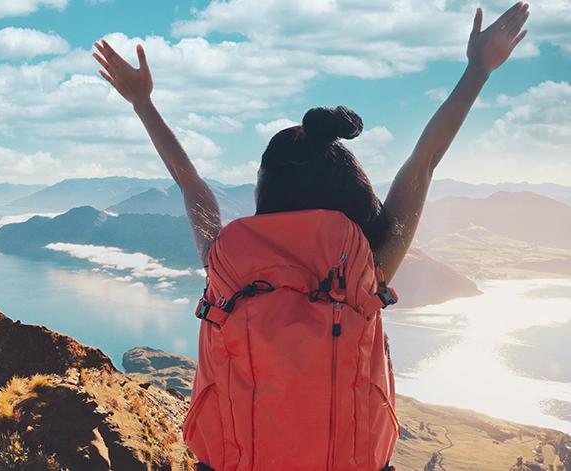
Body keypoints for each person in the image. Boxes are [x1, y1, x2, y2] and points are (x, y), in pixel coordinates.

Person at [95, 3, 529, 470]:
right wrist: (478, 71)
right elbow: (423, 161)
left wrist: (143, 104)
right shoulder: (369, 267)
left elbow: (189, 182)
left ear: (265, 189)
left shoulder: (224, 263)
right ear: (352, 195)